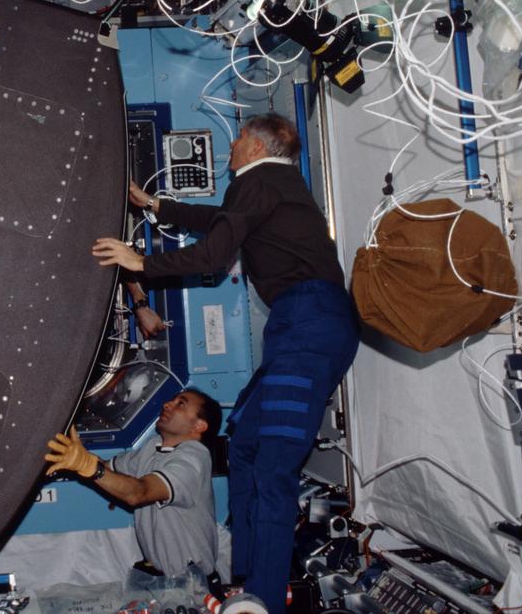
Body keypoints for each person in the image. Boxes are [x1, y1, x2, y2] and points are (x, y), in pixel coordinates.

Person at [91, 113, 359, 614]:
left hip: (309, 324)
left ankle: (264, 602)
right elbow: (220, 222)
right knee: (245, 445)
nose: (230, 147)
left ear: (255, 148)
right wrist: (153, 204)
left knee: (275, 467)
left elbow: (214, 254)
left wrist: (141, 263)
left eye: (236, 139)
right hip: (301, 325)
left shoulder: (258, 182)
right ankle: (245, 580)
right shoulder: (270, 186)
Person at [43, 389, 222, 580]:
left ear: (199, 426)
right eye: (172, 399)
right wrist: (77, 456)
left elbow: (139, 492)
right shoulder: (154, 447)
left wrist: (88, 466)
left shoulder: (194, 458)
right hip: (164, 580)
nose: (167, 404)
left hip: (195, 584)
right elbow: (110, 470)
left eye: (181, 404)